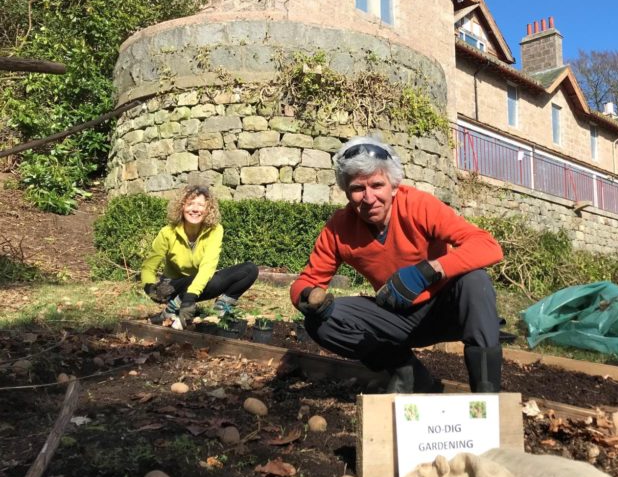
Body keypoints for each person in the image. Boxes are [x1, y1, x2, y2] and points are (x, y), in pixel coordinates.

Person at [290, 137, 504, 393]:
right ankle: (408, 373)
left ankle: (487, 395)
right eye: (358, 188)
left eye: (377, 185)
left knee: (474, 281)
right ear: (346, 192)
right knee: (321, 322)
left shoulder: (419, 205)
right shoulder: (340, 227)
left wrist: (429, 270)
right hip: (396, 316)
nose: (369, 197)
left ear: (393, 186)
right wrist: (306, 296)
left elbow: (487, 245)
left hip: (445, 311)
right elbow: (306, 281)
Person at [141, 185, 259, 330]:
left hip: (198, 284)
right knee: (202, 279)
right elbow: (149, 266)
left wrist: (190, 296)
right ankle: (174, 304)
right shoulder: (167, 232)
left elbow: (208, 266)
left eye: (201, 205)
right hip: (171, 286)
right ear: (181, 207)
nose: (195, 209)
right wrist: (149, 286)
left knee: (249, 270)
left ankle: (221, 305)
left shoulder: (215, 230)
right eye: (190, 204)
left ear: (208, 209)